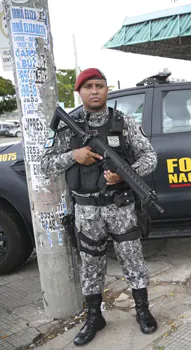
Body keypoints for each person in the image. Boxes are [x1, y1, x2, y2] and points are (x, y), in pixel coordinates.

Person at [40, 68, 159, 345]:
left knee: (133, 259)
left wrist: (126, 172)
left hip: (120, 207)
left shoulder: (123, 121)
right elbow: (45, 165)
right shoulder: (67, 126)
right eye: (88, 86)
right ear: (79, 91)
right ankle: (94, 316)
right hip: (86, 210)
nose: (95, 91)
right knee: (91, 265)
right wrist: (74, 155)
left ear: (108, 89)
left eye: (100, 85)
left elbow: (150, 157)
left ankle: (143, 311)